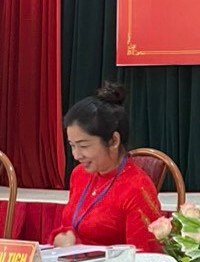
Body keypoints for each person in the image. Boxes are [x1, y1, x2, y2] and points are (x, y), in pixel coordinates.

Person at [52, 83, 162, 252]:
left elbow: (146, 256)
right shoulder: (79, 174)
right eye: (72, 145)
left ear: (113, 141)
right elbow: (70, 225)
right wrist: (62, 238)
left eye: (84, 146)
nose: (76, 155)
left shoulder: (137, 188)